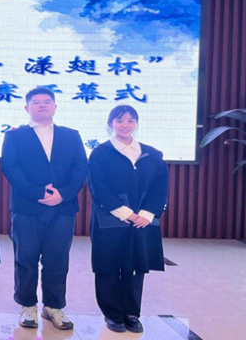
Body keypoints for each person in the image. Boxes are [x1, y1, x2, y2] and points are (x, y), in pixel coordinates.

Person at [1, 87, 87, 330]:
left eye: (47, 101)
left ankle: (54, 306)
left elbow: (81, 167)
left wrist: (63, 194)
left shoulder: (71, 135)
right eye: (36, 102)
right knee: (25, 258)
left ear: (55, 107)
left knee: (57, 259)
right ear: (27, 107)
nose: (41, 105)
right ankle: (27, 305)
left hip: (63, 208)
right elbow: (10, 168)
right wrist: (38, 192)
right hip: (27, 207)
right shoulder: (15, 136)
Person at [87, 105, 169, 334]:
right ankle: (112, 314)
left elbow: (160, 187)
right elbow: (97, 186)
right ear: (111, 123)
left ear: (136, 123)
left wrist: (147, 213)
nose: (125, 125)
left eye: (131, 120)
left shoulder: (152, 154)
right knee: (108, 265)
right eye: (120, 120)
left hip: (142, 219)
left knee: (136, 265)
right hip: (110, 217)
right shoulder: (100, 153)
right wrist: (123, 212)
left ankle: (132, 313)